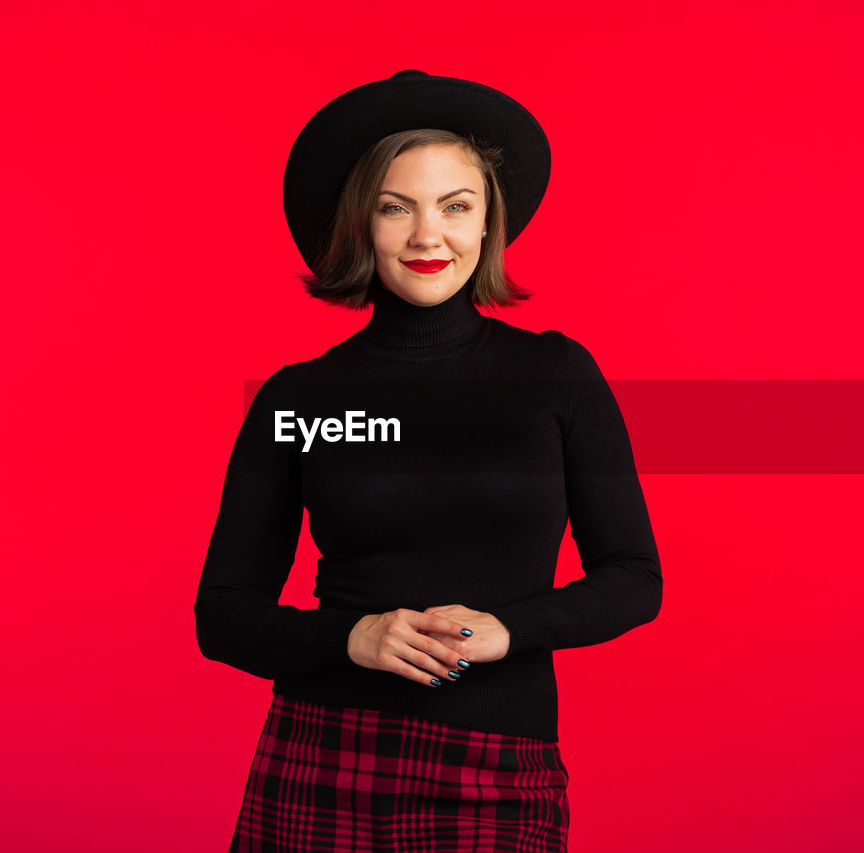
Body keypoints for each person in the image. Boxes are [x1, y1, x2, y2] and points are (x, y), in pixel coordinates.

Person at [194, 70, 664, 852]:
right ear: (360, 223)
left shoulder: (555, 374)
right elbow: (223, 614)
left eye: (456, 206)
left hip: (498, 767)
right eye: (394, 207)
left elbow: (634, 578)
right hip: (324, 753)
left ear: (488, 224)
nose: (426, 236)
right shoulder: (299, 397)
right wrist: (354, 637)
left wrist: (507, 630)